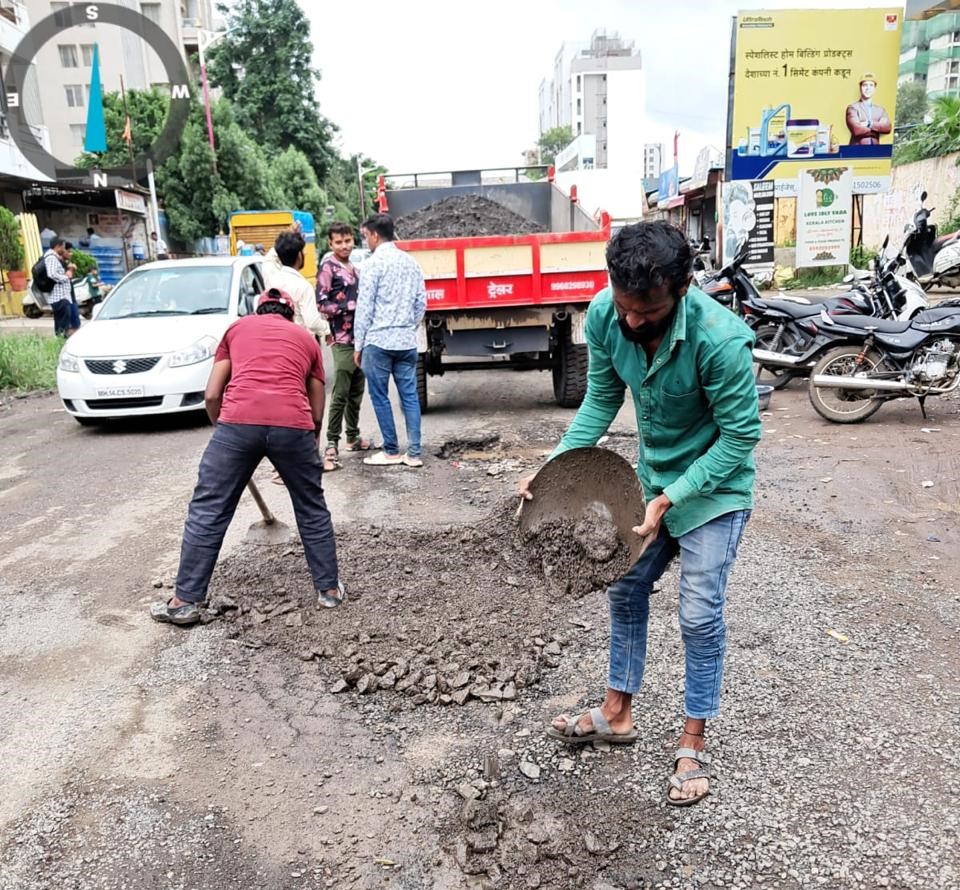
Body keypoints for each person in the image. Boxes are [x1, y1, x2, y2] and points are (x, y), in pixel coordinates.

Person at [518, 221, 761, 807]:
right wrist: (551, 470)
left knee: (699, 615)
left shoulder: (720, 340)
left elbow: (739, 437)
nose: (631, 321)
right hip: (649, 481)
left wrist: (672, 496)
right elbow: (601, 399)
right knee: (624, 589)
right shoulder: (605, 315)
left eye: (646, 309)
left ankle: (692, 740)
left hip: (712, 491)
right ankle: (617, 714)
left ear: (680, 288)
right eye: (623, 306)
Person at [149, 287, 344, 628]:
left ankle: (184, 602)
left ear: (258, 310)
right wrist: (309, 445)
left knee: (208, 508)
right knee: (311, 506)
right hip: (293, 426)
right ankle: (329, 591)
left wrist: (224, 433)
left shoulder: (237, 329)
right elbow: (316, 410)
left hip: (237, 424)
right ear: (291, 314)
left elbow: (212, 394)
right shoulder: (306, 340)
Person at [353, 213, 427, 468]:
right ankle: (414, 454)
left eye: (365, 237)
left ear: (374, 235)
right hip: (406, 342)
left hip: (378, 341)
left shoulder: (372, 265)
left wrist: (358, 344)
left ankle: (392, 450)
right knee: (410, 396)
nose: (366, 242)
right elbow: (421, 303)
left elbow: (364, 308)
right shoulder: (411, 263)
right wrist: (408, 327)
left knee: (380, 396)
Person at [317, 221, 371, 472]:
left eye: (348, 240)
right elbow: (322, 304)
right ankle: (331, 443)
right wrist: (349, 308)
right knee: (340, 393)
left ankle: (353, 436)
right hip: (341, 340)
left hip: (360, 339)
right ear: (330, 244)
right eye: (338, 242)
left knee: (356, 391)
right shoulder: (328, 267)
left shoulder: (356, 269)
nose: (344, 245)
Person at [263, 230, 331, 342]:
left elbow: (268, 259)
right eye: (303, 251)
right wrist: (327, 329)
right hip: (299, 342)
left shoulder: (272, 280)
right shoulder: (303, 286)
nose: (305, 254)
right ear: (299, 255)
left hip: (276, 340)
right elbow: (312, 322)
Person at [42, 238, 77, 338]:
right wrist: (66, 277)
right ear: (58, 246)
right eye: (63, 246)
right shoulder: (51, 257)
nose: (64, 249)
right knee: (63, 325)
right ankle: (62, 343)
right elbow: (52, 274)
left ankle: (60, 341)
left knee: (61, 324)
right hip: (59, 297)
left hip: (61, 297)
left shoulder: (54, 257)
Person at [845, 73, 891, 146]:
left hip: (876, 151)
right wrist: (878, 128)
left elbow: (887, 128)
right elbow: (856, 130)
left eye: (871, 85)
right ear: (860, 87)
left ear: (875, 88)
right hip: (857, 150)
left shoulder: (881, 110)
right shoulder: (852, 108)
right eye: (865, 85)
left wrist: (869, 124)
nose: (868, 88)